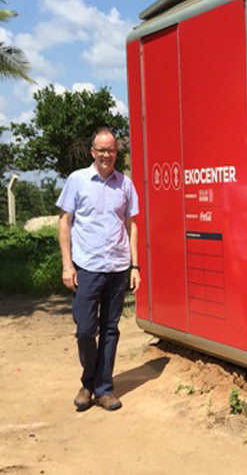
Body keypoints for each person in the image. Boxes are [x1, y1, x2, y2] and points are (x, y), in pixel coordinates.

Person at [57, 127, 140, 412]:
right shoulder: (77, 180)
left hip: (117, 267)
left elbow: (131, 225)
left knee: (110, 330)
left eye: (111, 149)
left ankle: (103, 390)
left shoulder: (125, 185)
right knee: (85, 329)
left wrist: (135, 266)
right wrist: (67, 265)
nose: (107, 154)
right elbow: (64, 222)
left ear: (117, 152)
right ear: (92, 152)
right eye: (101, 150)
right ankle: (88, 381)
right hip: (87, 268)